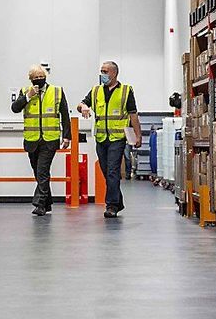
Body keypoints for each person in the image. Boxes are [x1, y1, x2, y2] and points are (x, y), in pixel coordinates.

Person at [78, 61, 141, 218]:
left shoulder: (126, 91)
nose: (102, 75)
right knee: (106, 171)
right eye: (101, 71)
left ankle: (111, 206)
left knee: (112, 171)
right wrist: (83, 107)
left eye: (105, 71)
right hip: (100, 138)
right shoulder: (95, 91)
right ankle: (118, 201)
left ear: (114, 73)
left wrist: (138, 135)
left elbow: (133, 115)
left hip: (117, 138)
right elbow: (82, 104)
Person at [10, 64, 70, 216]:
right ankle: (47, 202)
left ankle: (39, 204)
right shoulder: (25, 92)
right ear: (30, 80)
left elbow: (65, 114)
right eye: (35, 78)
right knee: (38, 173)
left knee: (42, 171)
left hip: (50, 139)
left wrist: (67, 136)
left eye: (41, 77)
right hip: (32, 140)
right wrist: (28, 96)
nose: (38, 80)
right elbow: (15, 108)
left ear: (45, 77)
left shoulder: (56, 91)